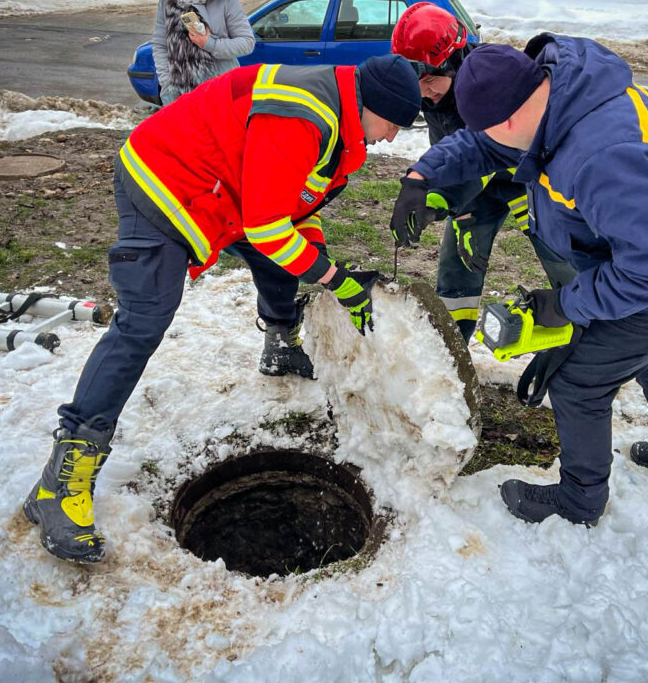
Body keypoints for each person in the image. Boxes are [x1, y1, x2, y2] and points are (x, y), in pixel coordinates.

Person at [24, 54, 422, 563]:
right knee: (144, 319)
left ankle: (280, 344)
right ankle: (62, 480)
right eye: (393, 125)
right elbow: (268, 227)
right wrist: (335, 280)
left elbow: (296, 208)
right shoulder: (304, 117)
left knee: (289, 257)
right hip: (164, 181)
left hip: (225, 191)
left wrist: (321, 263)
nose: (391, 137)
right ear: (373, 106)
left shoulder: (339, 125)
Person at [390, 38, 648, 526]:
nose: (487, 139)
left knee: (579, 378)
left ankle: (580, 500)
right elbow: (481, 145)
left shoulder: (604, 154)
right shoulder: (555, 94)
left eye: (489, 128)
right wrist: (421, 176)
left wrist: (566, 304)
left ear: (507, 120)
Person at [390, 3, 575, 342]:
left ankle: (590, 329)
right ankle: (450, 348)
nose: (425, 93)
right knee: (456, 267)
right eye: (417, 84)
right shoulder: (435, 96)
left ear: (454, 60)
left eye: (430, 80)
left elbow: (486, 154)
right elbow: (450, 154)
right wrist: (452, 209)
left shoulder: (490, 77)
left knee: (562, 255)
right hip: (481, 188)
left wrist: (449, 201)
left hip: (529, 179)